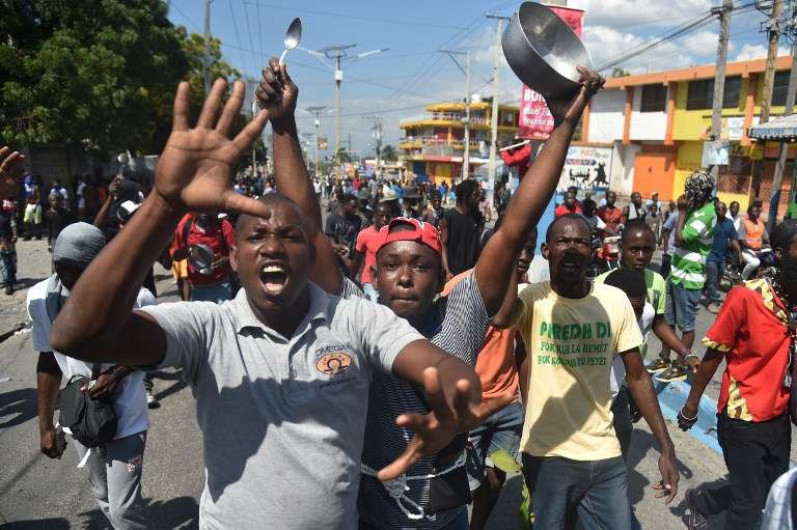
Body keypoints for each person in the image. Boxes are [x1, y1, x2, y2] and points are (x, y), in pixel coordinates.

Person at [49, 77, 488, 530]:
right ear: (233, 257)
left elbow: (438, 364)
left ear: (313, 254)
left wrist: (458, 395)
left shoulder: (355, 318)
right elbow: (77, 334)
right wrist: (164, 203)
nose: (273, 246)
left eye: (289, 236)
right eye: (256, 235)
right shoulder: (208, 329)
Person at [254, 57, 607, 528]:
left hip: (444, 513)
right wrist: (282, 123)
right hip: (368, 512)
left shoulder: (461, 311)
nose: (405, 277)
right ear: (373, 276)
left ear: (442, 275)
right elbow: (307, 229)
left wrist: (563, 126)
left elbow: (514, 227)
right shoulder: (355, 311)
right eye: (392, 265)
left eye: (420, 265)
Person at [511, 214, 678, 528]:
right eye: (563, 241)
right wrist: (511, 252)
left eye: (581, 242)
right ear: (546, 250)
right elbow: (501, 315)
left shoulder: (614, 300)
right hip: (548, 452)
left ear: (593, 251)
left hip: (604, 451)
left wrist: (666, 446)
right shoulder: (532, 298)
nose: (572, 248)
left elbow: (637, 375)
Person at [31, 223, 155, 529]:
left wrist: (117, 373)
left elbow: (155, 351)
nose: (67, 277)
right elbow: (48, 363)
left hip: (127, 415)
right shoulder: (42, 299)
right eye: (61, 267)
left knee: (124, 509)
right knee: (103, 495)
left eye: (78, 270)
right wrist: (46, 427)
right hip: (82, 415)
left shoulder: (135, 297)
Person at [678, 219, 797, 530]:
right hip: (742, 415)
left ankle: (703, 499)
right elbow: (713, 355)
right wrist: (691, 406)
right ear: (780, 253)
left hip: (779, 414)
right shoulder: (745, 297)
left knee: (772, 486)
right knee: (748, 504)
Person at [441, 225, 537, 530]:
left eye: (530, 248)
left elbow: (522, 350)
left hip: (507, 405)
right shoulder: (458, 288)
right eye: (518, 247)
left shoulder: (524, 293)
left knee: (496, 479)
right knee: (462, 485)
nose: (524, 256)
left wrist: (527, 405)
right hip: (470, 408)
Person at [658, 173, 717, 383]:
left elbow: (680, 239)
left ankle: (681, 364)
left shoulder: (707, 214)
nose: (687, 196)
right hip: (677, 272)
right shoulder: (696, 208)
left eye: (691, 193)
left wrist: (682, 211)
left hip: (689, 278)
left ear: (700, 194)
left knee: (686, 325)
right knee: (667, 319)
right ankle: (664, 357)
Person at [171, 212, 236, 303]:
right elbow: (176, 256)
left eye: (208, 207)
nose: (205, 210)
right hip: (198, 289)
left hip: (223, 285)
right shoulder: (185, 228)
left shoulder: (223, 226)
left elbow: (238, 254)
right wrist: (185, 252)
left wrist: (226, 259)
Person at [440, 179, 483, 277]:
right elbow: (443, 245)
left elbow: (477, 246)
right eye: (475, 195)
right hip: (453, 274)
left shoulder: (477, 217)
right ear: (464, 196)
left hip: (471, 274)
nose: (478, 198)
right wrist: (447, 271)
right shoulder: (449, 217)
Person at [351, 201, 393, 300]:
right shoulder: (364, 234)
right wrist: (352, 278)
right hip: (369, 280)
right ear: (375, 216)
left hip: (389, 279)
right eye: (381, 216)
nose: (384, 219)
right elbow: (357, 259)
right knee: (374, 301)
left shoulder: (395, 234)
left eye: (387, 216)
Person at [704, 202, 741, 313]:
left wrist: (739, 252)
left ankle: (705, 288)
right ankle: (712, 302)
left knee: (718, 277)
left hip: (722, 257)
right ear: (715, 210)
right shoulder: (710, 222)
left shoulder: (729, 223)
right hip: (710, 255)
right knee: (713, 279)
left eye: (723, 208)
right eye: (718, 209)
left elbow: (734, 239)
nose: (720, 210)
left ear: (726, 210)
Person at [325, 192, 361, 259]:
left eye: (356, 207)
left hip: (351, 257)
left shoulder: (357, 220)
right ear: (344, 205)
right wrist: (337, 246)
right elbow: (329, 238)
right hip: (335, 256)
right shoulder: (332, 218)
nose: (355, 210)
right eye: (353, 207)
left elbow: (357, 237)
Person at [738, 203, 770, 280]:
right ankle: (742, 278)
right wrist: (753, 248)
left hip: (760, 250)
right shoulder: (744, 223)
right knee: (755, 262)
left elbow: (767, 238)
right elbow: (742, 240)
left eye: (758, 211)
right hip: (747, 250)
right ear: (749, 213)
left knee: (772, 260)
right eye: (754, 211)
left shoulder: (761, 224)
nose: (756, 213)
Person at [0, 192, 18, 295]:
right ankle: (8, 283)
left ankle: (12, 275)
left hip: (9, 240)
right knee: (3, 263)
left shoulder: (8, 213)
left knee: (12, 261)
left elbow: (13, 224)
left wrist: (15, 235)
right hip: (0, 243)